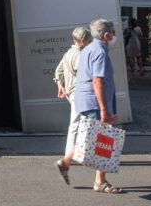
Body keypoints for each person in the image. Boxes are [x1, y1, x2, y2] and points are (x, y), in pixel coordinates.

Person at [56, 18, 124, 194]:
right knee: (103, 141)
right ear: (107, 34)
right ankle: (100, 182)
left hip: (85, 100)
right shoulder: (100, 51)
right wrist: (104, 109)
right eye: (114, 32)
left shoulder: (88, 49)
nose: (116, 35)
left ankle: (65, 162)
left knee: (89, 138)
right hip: (94, 101)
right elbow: (97, 80)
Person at [54, 25, 91, 183]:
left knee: (76, 123)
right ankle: (72, 156)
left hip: (70, 92)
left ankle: (71, 154)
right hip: (78, 93)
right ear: (82, 41)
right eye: (89, 40)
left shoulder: (68, 53)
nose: (91, 42)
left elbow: (58, 72)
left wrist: (61, 86)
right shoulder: (80, 55)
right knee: (81, 124)